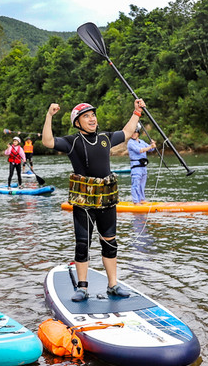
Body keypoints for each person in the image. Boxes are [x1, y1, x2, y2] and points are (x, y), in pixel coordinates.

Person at [42, 99, 147, 301]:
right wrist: (49, 116)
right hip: (84, 201)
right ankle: (82, 288)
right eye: (86, 116)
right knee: (83, 244)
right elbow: (48, 141)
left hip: (106, 200)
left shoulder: (105, 138)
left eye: (93, 115)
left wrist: (136, 112)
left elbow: (126, 132)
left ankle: (113, 285)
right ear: (78, 123)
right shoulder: (72, 142)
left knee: (110, 242)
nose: (92, 118)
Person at [126, 125, 157, 204]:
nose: (133, 134)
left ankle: (142, 200)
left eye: (135, 132)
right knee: (135, 184)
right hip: (136, 167)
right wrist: (150, 147)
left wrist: (153, 145)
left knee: (142, 185)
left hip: (143, 167)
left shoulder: (142, 142)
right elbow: (140, 150)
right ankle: (136, 201)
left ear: (138, 133)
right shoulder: (130, 143)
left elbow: (151, 149)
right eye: (132, 133)